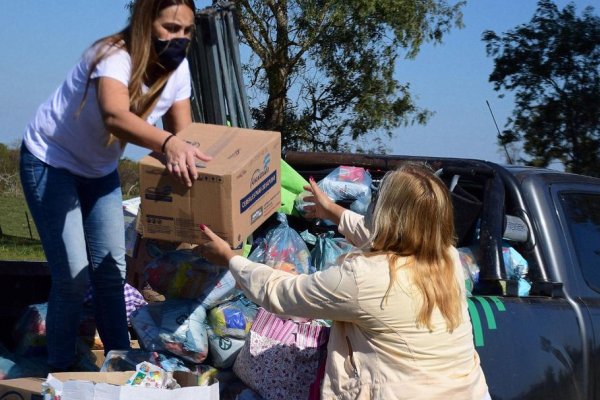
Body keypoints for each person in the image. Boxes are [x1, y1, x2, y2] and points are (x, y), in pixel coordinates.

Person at [19, 0, 211, 371]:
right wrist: (167, 144)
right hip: (50, 161)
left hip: (99, 170)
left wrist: (199, 163)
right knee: (73, 278)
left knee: (111, 272)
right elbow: (115, 115)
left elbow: (185, 133)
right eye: (171, 28)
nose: (180, 39)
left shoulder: (178, 71)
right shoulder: (112, 55)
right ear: (145, 22)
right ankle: (59, 374)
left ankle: (122, 366)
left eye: (187, 31)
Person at [200, 162, 490, 399]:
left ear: (387, 213)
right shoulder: (446, 258)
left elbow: (282, 292)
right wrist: (332, 211)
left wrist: (230, 258)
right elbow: (374, 234)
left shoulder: (366, 278)